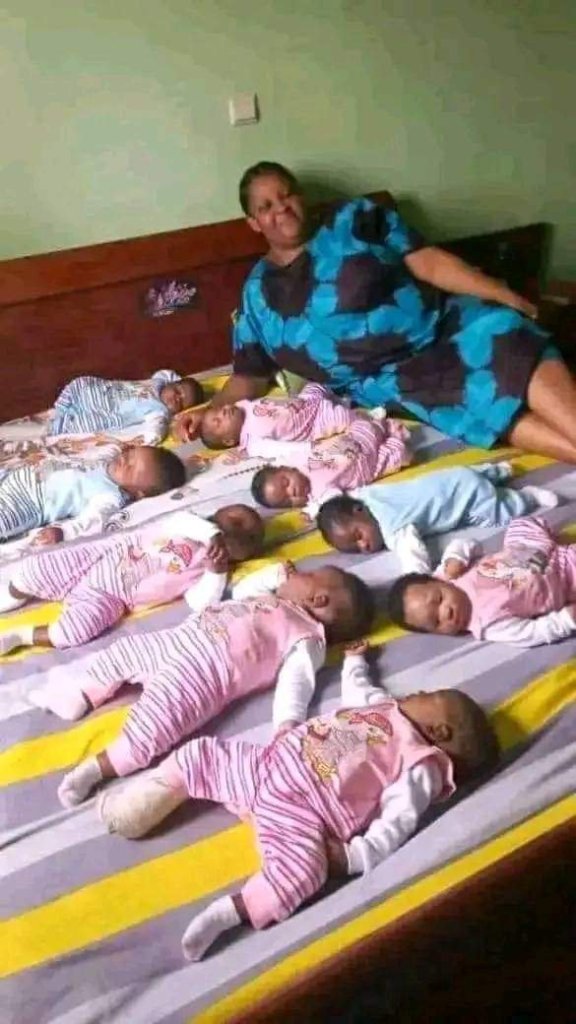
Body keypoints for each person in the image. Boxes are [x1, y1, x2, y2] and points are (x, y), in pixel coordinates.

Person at [98, 640, 498, 961]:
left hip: (303, 811)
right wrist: (355, 662)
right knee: (200, 755)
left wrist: (354, 857)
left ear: (440, 731)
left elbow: (398, 821)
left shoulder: (422, 764)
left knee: (304, 871)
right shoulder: (385, 707)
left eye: (430, 694)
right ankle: (133, 810)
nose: (420, 691)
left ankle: (232, 911)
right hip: (266, 764)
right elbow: (358, 689)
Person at [174, 161, 576, 464]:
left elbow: (428, 262)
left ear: (301, 196)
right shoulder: (257, 294)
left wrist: (506, 295)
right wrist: (207, 412)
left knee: (507, 335)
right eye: (266, 206)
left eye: (287, 194)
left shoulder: (355, 218)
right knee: (480, 405)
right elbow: (249, 374)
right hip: (399, 379)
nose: (282, 208)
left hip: (448, 325)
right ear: (253, 223)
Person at [32, 564, 374, 806]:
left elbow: (295, 683)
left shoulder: (308, 638)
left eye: (306, 575)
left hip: (203, 675)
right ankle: (82, 694)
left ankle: (96, 769)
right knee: (122, 652)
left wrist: (288, 724)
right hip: (176, 639)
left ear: (318, 599)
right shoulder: (270, 598)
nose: (296, 572)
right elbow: (241, 590)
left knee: (154, 728)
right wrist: (274, 574)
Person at [0, 505, 263, 654]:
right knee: (31, 569)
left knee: (72, 632)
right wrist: (211, 533)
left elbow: (199, 602)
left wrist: (216, 573)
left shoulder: (209, 570)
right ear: (217, 516)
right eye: (236, 519)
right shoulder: (189, 523)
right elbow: (180, 521)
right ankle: (8, 599)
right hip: (101, 557)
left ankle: (20, 636)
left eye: (250, 537)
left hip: (112, 596)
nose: (239, 529)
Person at [316, 462, 558, 571]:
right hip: (456, 475)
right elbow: (342, 496)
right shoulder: (367, 495)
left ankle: (527, 496)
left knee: (497, 515)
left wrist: (415, 577)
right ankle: (499, 470)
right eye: (357, 549)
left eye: (358, 536)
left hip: (466, 499)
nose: (364, 545)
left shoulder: (393, 530)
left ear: (359, 511)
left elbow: (414, 553)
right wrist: (315, 508)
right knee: (474, 477)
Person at [388, 515, 576, 647]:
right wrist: (566, 620)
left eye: (439, 599)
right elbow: (532, 633)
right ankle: (551, 547)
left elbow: (467, 544)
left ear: (438, 581)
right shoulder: (487, 623)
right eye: (436, 622)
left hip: (524, 547)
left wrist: (456, 558)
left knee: (520, 524)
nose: (446, 612)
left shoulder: (449, 573)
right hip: (564, 578)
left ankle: (545, 544)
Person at [0, 445, 186, 544]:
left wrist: (64, 532)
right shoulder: (106, 461)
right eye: (130, 454)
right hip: (18, 476)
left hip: (29, 502)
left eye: (131, 467)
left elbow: (93, 520)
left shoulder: (111, 496)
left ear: (139, 494)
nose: (124, 459)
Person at [250, 416, 411, 511]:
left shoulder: (298, 460)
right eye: (288, 500)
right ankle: (397, 436)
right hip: (369, 465)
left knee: (364, 425)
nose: (291, 491)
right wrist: (313, 511)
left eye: (285, 483)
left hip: (354, 440)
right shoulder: (318, 496)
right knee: (398, 455)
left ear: (286, 469)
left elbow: (291, 451)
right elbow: (333, 503)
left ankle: (380, 423)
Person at [198, 380, 383, 454]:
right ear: (229, 441)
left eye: (219, 410)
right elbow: (280, 450)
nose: (223, 412)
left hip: (305, 400)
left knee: (316, 384)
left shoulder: (242, 407)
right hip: (313, 422)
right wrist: (308, 448)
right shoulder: (253, 442)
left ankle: (342, 399)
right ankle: (368, 417)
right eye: (218, 421)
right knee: (342, 418)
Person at [50, 370, 204, 444]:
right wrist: (179, 380)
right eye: (178, 391)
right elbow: (166, 373)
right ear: (172, 383)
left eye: (181, 402)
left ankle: (59, 426)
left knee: (91, 424)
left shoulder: (159, 412)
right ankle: (61, 409)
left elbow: (155, 431)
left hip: (109, 412)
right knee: (82, 384)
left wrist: (144, 441)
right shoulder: (158, 381)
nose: (177, 398)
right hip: (107, 393)